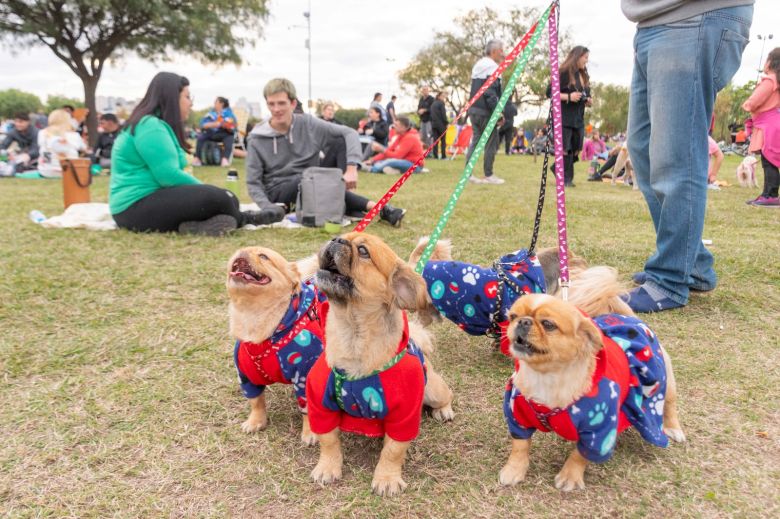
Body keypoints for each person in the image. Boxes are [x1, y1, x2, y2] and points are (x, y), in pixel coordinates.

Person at [622, 1, 753, 313]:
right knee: (642, 148)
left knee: (675, 154)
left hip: (695, 16)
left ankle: (669, 277)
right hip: (650, 22)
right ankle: (691, 263)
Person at [110, 72, 277, 236]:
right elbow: (168, 176)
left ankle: (195, 226)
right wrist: (207, 190)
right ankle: (245, 219)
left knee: (227, 198)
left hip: (138, 206)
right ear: (172, 98)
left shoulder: (152, 124)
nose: (190, 103)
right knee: (222, 199)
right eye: (187, 97)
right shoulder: (150, 125)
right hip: (133, 208)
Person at [246, 78, 406, 226]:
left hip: (314, 179)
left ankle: (356, 205)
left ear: (293, 104)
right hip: (280, 190)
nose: (276, 109)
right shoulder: (257, 138)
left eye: (281, 103)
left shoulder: (307, 123)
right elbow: (253, 182)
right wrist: (268, 208)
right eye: (271, 104)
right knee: (308, 181)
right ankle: (379, 208)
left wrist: (351, 168)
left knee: (338, 141)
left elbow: (349, 133)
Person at [546, 46, 592, 187]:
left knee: (577, 147)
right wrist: (568, 96)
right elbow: (549, 92)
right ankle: (566, 179)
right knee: (565, 148)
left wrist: (588, 100)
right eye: (585, 57)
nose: (587, 60)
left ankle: (557, 169)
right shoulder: (564, 73)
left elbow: (587, 93)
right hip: (563, 117)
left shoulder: (583, 74)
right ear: (577, 57)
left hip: (578, 117)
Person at [743, 47, 780, 207]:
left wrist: (747, 104)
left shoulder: (770, 80)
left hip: (768, 127)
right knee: (770, 160)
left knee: (769, 160)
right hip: (773, 124)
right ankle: (767, 194)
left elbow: (755, 100)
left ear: (771, 62)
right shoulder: (777, 81)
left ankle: (770, 195)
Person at [467, 39, 505, 184]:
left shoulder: (479, 65)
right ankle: (488, 174)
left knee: (475, 141)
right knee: (491, 141)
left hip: (474, 109)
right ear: (494, 51)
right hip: (485, 110)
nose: (503, 54)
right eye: (501, 50)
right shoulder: (492, 67)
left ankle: (468, 174)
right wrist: (498, 112)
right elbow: (490, 92)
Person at [36, 108, 86, 178]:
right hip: (69, 172)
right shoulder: (74, 135)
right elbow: (84, 148)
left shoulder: (42, 133)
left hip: (45, 171)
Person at [193, 96, 237, 167]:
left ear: (221, 104)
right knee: (201, 137)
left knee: (230, 136)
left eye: (216, 102)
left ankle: (225, 159)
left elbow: (232, 125)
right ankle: (197, 158)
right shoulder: (211, 113)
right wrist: (213, 124)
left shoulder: (229, 113)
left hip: (224, 133)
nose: (214, 103)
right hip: (211, 133)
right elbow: (203, 124)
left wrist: (221, 124)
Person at [430, 91, 449, 159]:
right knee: (443, 141)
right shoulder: (441, 103)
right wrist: (446, 123)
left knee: (435, 141)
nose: (444, 98)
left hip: (434, 124)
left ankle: (435, 156)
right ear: (439, 96)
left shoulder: (433, 104)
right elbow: (443, 115)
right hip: (441, 124)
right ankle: (443, 156)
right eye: (443, 96)